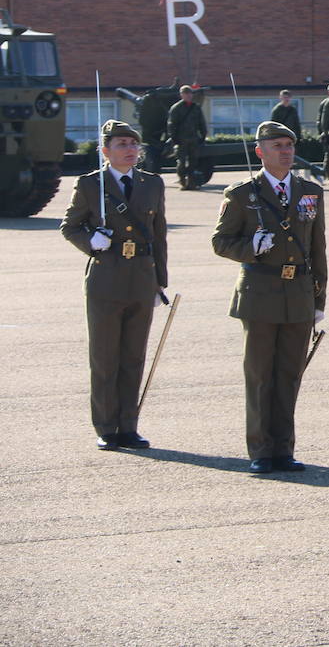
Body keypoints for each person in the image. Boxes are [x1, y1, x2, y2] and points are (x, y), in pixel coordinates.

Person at [211, 121, 327, 473]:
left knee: (290, 374)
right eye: (277, 146)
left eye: (290, 146)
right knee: (261, 374)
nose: (286, 152)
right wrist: (251, 248)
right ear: (260, 151)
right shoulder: (242, 193)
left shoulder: (310, 190)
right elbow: (221, 242)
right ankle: (261, 450)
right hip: (260, 292)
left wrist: (319, 299)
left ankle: (284, 448)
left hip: (298, 294)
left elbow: (317, 248)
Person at [59, 119, 168, 451]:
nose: (130, 150)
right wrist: (92, 241)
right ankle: (107, 426)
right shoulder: (92, 184)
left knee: (133, 355)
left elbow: (158, 234)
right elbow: (70, 226)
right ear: (105, 151)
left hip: (141, 276)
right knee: (106, 356)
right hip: (107, 275)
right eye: (122, 144)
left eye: (134, 145)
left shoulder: (153, 183)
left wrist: (160, 280)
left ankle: (129, 426)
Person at [165, 85, 207, 191]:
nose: (188, 95)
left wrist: (203, 135)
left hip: (193, 139)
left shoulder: (195, 107)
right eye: (186, 94)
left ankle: (191, 183)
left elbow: (201, 122)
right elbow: (171, 124)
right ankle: (183, 182)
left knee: (193, 162)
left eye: (190, 93)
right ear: (181, 95)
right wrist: (173, 137)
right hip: (181, 139)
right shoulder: (176, 108)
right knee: (181, 162)